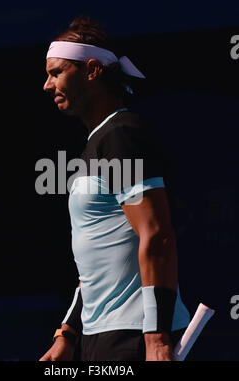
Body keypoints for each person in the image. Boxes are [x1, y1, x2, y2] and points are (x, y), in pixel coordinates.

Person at [39, 15, 190, 361]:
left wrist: (156, 338)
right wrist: (68, 333)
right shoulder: (97, 144)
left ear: (92, 71)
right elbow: (94, 267)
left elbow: (157, 234)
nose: (47, 85)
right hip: (100, 337)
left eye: (56, 72)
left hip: (134, 337)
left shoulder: (121, 135)